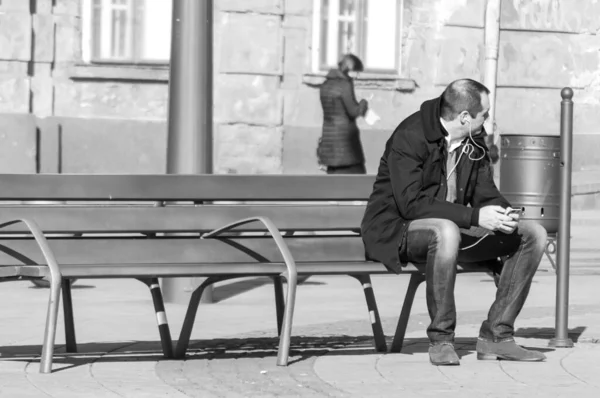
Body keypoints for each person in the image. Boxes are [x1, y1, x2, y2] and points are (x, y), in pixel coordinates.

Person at [361, 78, 548, 366]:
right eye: (484, 113)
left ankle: (497, 336)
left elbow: (485, 192)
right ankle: (441, 339)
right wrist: (475, 217)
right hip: (399, 230)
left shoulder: (474, 138)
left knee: (533, 233)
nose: (488, 119)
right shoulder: (410, 135)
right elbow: (410, 204)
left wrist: (503, 213)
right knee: (445, 230)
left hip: (453, 227)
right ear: (464, 117)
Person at [317, 53, 369, 174]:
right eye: (356, 72)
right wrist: (363, 103)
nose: (357, 76)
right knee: (357, 181)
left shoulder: (325, 85)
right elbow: (353, 111)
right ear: (349, 69)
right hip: (346, 142)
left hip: (329, 137)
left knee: (334, 179)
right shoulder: (344, 85)